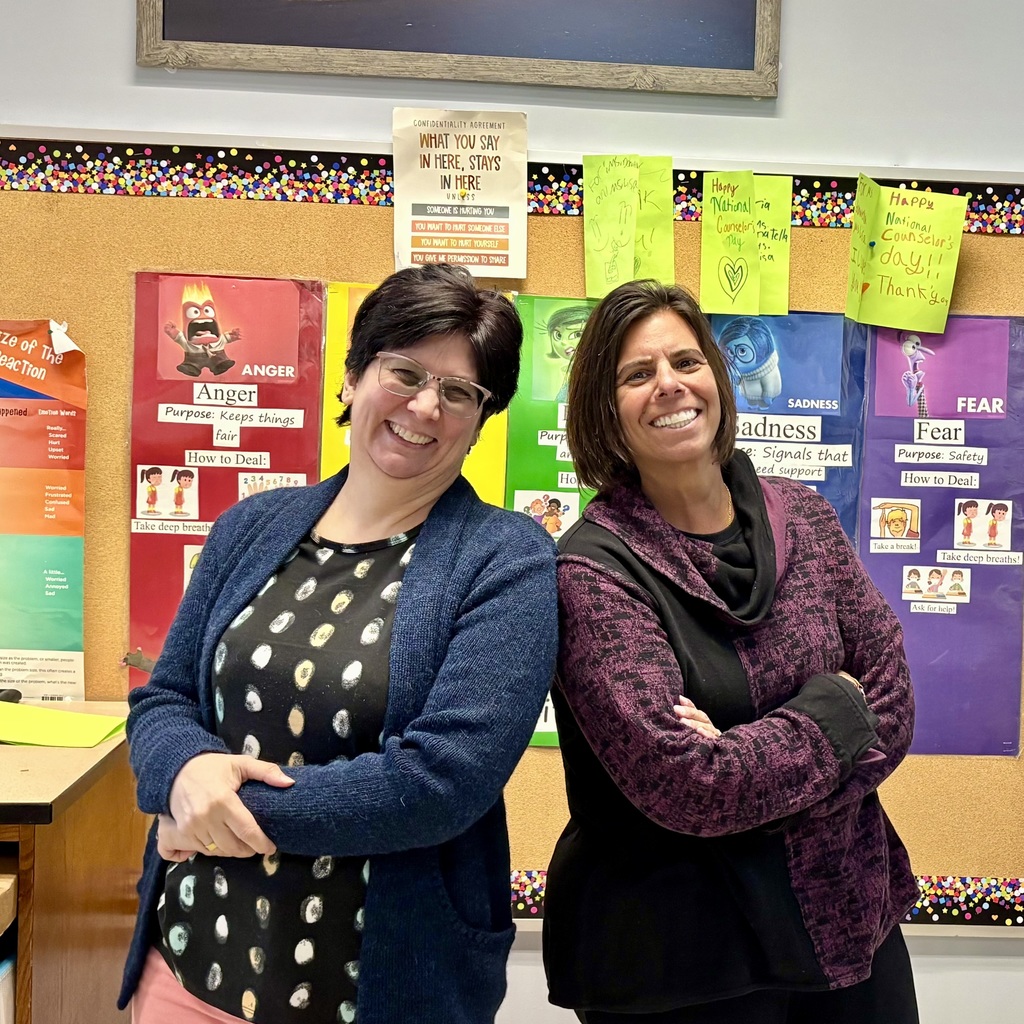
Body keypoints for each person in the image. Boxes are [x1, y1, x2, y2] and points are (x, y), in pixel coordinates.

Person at [120, 263, 558, 1024]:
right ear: (353, 377)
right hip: (188, 965)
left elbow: (442, 782)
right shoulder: (250, 526)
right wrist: (184, 772)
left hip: (381, 989)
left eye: (459, 392)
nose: (426, 405)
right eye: (405, 372)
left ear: (482, 417)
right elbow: (166, 698)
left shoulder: (506, 557)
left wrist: (214, 809)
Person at [544, 280, 919, 1024]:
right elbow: (691, 785)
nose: (669, 386)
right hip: (685, 963)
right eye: (636, 374)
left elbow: (894, 704)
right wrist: (835, 711)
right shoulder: (592, 571)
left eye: (686, 360)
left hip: (850, 925)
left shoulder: (804, 516)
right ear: (604, 411)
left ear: (718, 377)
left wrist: (751, 760)